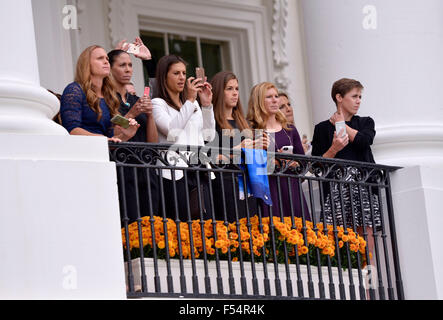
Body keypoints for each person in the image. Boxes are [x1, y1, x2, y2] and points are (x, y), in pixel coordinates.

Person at [311, 78, 379, 263]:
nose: (358, 101)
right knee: (338, 246)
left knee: (366, 246)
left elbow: (365, 141)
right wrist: (333, 148)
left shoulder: (366, 122)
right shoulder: (321, 129)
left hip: (363, 189)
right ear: (339, 97)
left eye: (360, 97)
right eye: (354, 96)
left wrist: (341, 125)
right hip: (335, 193)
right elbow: (316, 166)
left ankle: (367, 289)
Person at [152, 54, 216, 221]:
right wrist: (190, 100)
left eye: (183, 73)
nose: (182, 77)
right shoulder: (158, 103)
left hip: (199, 170)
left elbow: (208, 134)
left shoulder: (193, 103)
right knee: (182, 224)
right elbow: (172, 132)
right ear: (164, 76)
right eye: (176, 73)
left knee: (205, 224)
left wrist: (207, 105)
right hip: (174, 173)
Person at [108, 47, 160, 223]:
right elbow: (111, 131)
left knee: (151, 224)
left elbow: (152, 143)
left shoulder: (135, 99)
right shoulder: (107, 99)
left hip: (146, 168)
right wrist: (131, 114)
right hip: (124, 169)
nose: (128, 69)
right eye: (122, 65)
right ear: (110, 68)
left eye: (130, 65)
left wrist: (150, 115)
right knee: (130, 223)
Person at [246, 82, 310, 220]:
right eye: (269, 97)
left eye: (275, 96)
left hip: (292, 189)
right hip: (269, 191)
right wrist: (276, 161)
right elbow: (250, 166)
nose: (275, 99)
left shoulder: (289, 129)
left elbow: (304, 164)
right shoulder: (252, 131)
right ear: (259, 101)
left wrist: (293, 163)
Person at [208, 71, 264, 222]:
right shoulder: (211, 122)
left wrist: (261, 147)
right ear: (219, 91)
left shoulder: (244, 122)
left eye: (237, 89)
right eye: (229, 89)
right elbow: (210, 158)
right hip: (225, 187)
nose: (235, 93)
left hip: (248, 184)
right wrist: (237, 150)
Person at [60, 45, 139, 143]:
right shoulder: (74, 90)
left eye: (107, 58)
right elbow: (72, 130)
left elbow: (110, 138)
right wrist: (103, 139)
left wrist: (126, 135)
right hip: (83, 152)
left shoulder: (109, 95)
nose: (106, 62)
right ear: (87, 64)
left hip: (104, 154)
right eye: (100, 58)